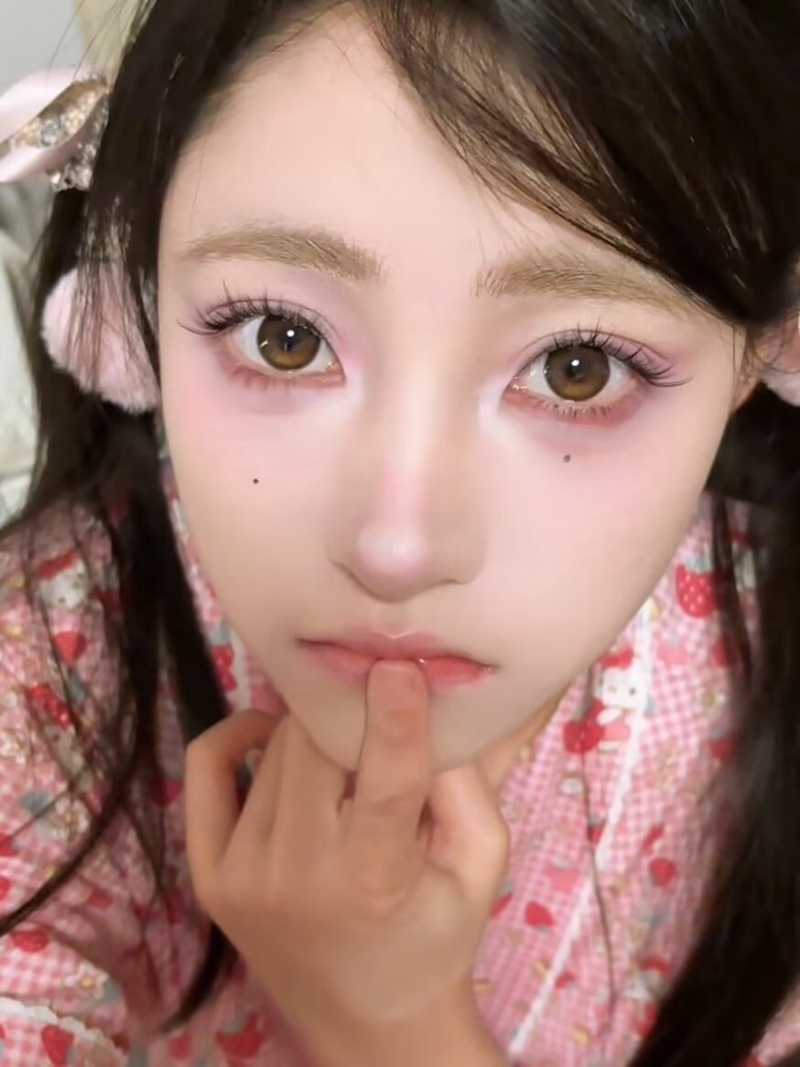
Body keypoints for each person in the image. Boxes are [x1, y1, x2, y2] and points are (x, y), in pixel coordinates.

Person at [1, 1, 800, 1064]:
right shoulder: (43, 676)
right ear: (133, 312)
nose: (397, 548)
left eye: (578, 368)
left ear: (763, 350)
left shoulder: (766, 661)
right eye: (283, 338)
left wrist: (395, 1028)